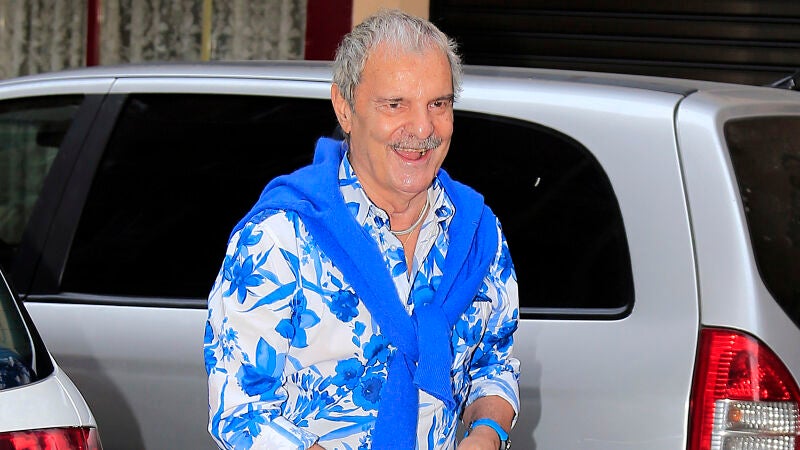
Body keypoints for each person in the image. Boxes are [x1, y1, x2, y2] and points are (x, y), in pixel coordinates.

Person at [205, 9, 520, 450]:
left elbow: (493, 363)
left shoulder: (477, 234)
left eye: (439, 104)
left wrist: (487, 434)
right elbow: (242, 413)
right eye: (395, 104)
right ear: (345, 107)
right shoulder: (281, 238)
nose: (423, 128)